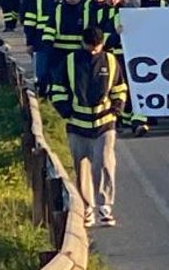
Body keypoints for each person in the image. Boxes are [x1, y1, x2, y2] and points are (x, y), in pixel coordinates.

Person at [50, 26, 127, 228]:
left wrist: (116, 110)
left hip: (104, 123)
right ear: (83, 43)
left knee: (104, 164)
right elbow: (57, 90)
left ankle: (105, 208)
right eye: (90, 47)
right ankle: (87, 209)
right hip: (77, 125)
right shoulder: (69, 62)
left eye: (97, 47)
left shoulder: (110, 61)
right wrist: (66, 111)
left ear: (102, 44)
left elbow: (120, 89)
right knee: (81, 168)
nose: (93, 51)